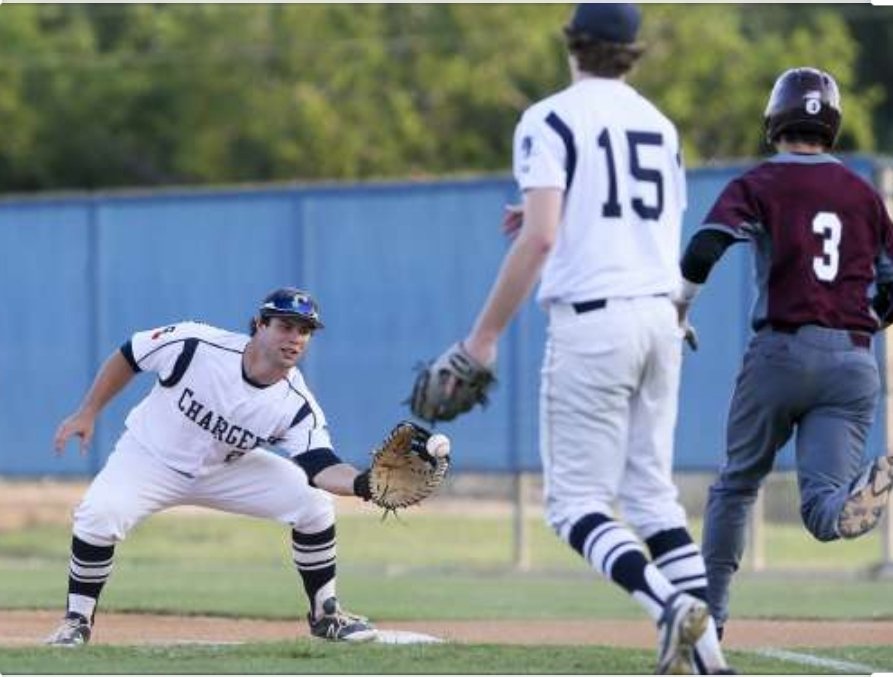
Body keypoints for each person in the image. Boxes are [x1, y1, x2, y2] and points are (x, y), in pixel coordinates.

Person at [447, 4, 729, 673]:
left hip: (594, 320)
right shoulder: (660, 126)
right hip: (661, 316)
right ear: (633, 52)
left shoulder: (548, 117)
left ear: (572, 45)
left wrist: (480, 339)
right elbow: (638, 221)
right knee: (651, 497)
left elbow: (541, 236)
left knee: (573, 504)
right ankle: (711, 662)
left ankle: (665, 605)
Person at [677, 66, 893, 639]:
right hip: (853, 360)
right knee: (822, 508)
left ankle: (711, 622)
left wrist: (680, 307)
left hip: (782, 352)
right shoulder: (864, 195)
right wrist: (868, 322)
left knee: (737, 485)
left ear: (775, 119)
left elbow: (702, 249)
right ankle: (851, 502)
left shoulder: (763, 181)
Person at [46, 287, 383, 646]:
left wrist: (363, 483)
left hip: (226, 469)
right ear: (259, 325)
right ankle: (77, 621)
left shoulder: (296, 404)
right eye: (286, 326)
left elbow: (321, 466)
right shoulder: (196, 344)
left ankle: (325, 615)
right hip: (149, 457)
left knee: (312, 501)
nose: (295, 338)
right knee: (99, 514)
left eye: (305, 331)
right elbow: (130, 355)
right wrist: (88, 411)